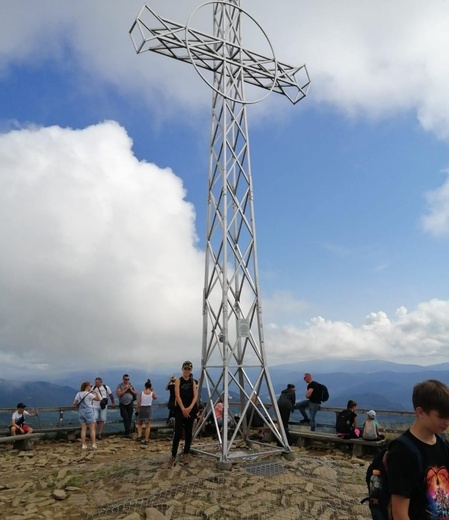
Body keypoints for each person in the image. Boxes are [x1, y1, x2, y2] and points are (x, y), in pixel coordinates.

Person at [388, 379, 449, 520]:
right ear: (420, 412)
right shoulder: (402, 452)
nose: (447, 422)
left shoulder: (442, 443)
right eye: (441, 417)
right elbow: (399, 513)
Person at [167, 360, 198, 468]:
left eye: (189, 369)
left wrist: (189, 408)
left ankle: (186, 453)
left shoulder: (193, 382)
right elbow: (177, 395)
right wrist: (183, 409)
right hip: (180, 410)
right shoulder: (178, 381)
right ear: (182, 369)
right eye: (185, 369)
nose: (187, 371)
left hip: (190, 410)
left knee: (189, 433)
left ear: (191, 370)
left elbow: (195, 396)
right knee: (178, 433)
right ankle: (173, 455)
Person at [73, 381, 100, 450]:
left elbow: (74, 403)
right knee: (92, 428)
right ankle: (93, 444)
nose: (91, 387)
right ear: (87, 386)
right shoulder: (89, 394)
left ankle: (83, 444)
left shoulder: (78, 394)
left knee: (83, 429)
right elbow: (98, 399)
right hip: (89, 412)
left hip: (81, 412)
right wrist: (96, 392)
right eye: (90, 385)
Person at [136, 379, 157, 445]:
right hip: (148, 409)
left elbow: (138, 403)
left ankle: (139, 436)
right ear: (150, 387)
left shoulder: (141, 393)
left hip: (142, 409)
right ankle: (146, 440)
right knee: (148, 426)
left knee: (140, 423)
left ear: (145, 386)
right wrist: (152, 391)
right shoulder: (151, 393)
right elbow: (155, 397)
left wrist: (137, 410)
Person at [116, 374, 137, 439]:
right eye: (126, 379)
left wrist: (130, 389)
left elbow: (135, 393)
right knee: (125, 417)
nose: (127, 380)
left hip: (130, 403)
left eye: (128, 379)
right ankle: (128, 432)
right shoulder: (120, 386)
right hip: (122, 404)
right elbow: (118, 394)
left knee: (129, 418)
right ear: (123, 379)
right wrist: (126, 389)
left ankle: (127, 432)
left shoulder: (131, 385)